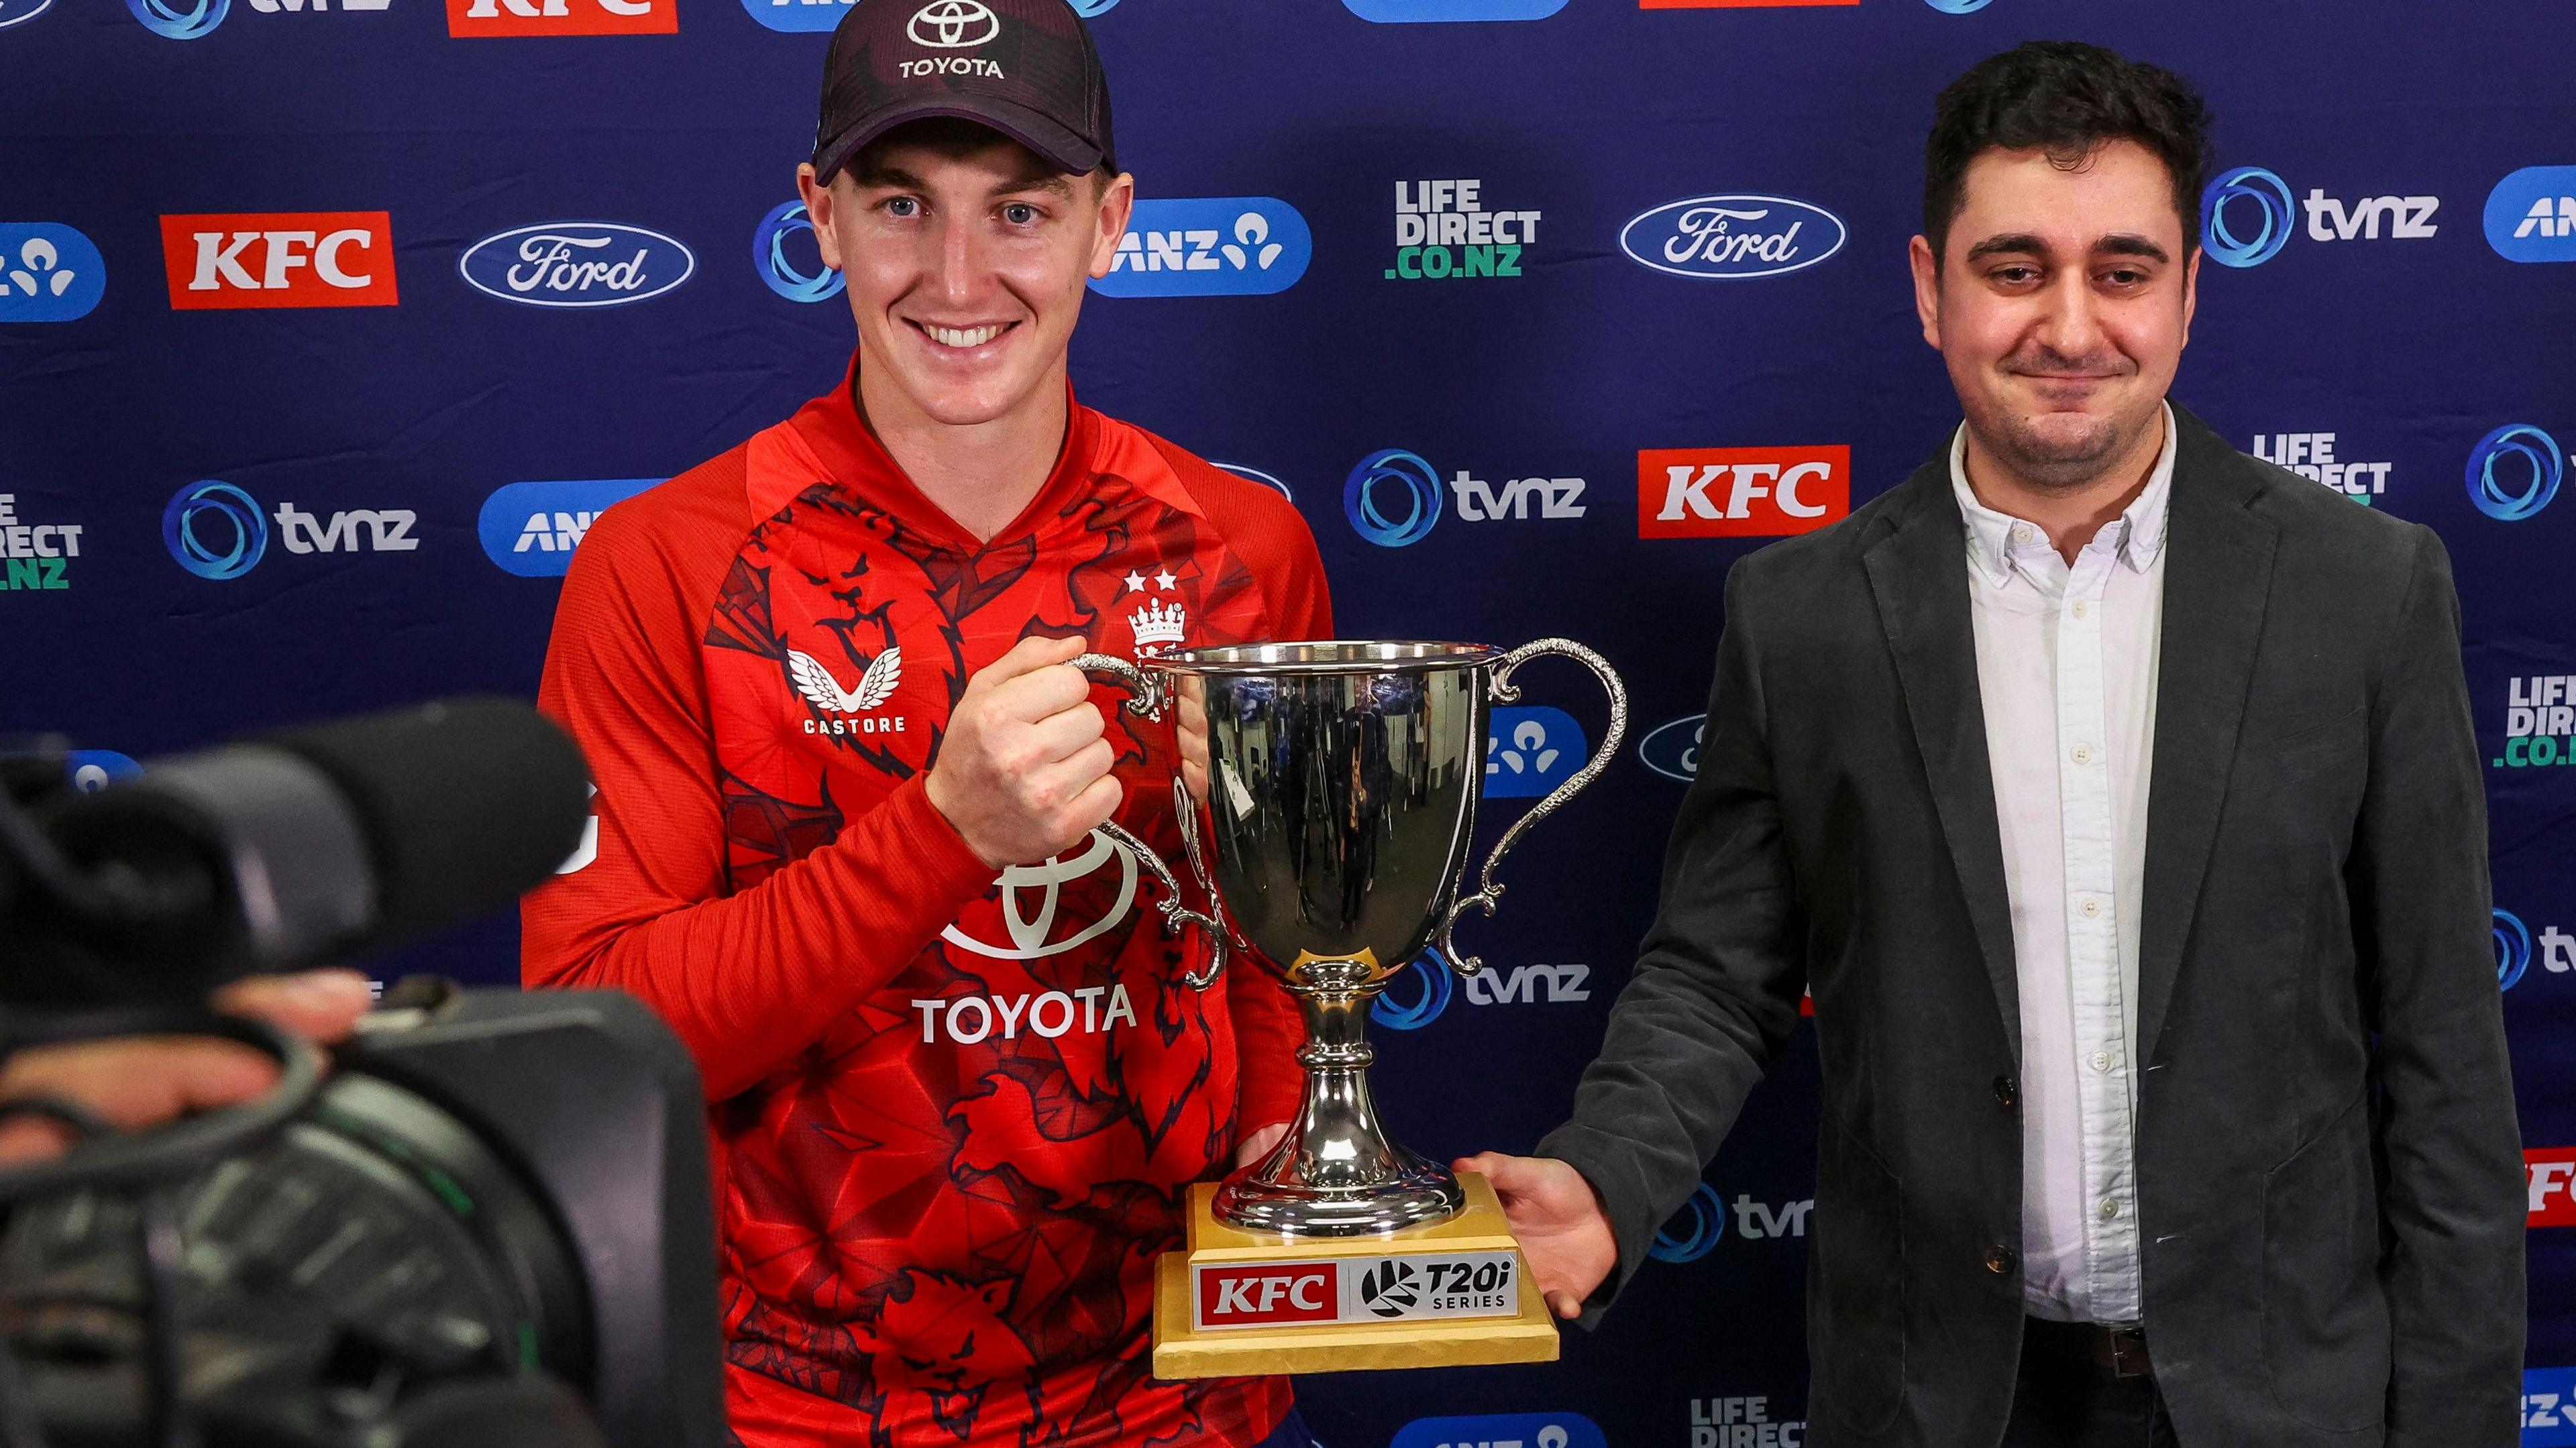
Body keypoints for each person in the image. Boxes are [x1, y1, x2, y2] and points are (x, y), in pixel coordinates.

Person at [1459, 40, 2523, 1448]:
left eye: (2123, 271)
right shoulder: (1803, 612)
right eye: (2016, 268)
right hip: (1935, 1400)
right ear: (1928, 289)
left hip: (2280, 1402)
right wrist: (1605, 1180)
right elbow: (1719, 976)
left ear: (2189, 294)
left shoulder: (2368, 590)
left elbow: (2445, 1052)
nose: (2070, 327)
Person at [518, 2, 1331, 1444]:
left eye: (1020, 210)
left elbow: (1285, 935)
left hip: (1171, 1389)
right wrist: (941, 837)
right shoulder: (664, 565)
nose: (959, 277)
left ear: (1111, 223)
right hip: (799, 1407)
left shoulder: (1239, 548)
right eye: (903, 206)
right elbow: (598, 1035)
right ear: (819, 218)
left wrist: (1285, 1125)